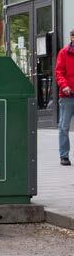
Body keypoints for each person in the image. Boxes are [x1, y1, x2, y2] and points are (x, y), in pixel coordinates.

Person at [55, 29, 74, 166]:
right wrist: (64, 86)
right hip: (67, 95)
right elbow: (59, 73)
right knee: (64, 127)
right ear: (72, 38)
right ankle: (64, 156)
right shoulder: (63, 53)